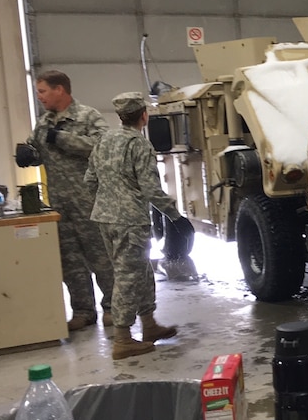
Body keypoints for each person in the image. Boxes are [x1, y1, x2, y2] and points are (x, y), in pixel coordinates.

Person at [84, 92, 193, 359]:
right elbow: (151, 189)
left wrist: (108, 202)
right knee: (127, 276)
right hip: (130, 221)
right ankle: (122, 340)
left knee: (141, 270)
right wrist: (175, 216)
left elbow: (89, 182)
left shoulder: (103, 140)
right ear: (143, 115)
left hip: (105, 219)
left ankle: (149, 325)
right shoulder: (139, 145)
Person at [15, 70, 115, 332]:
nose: (39, 98)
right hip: (59, 203)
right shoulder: (44, 122)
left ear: (60, 89)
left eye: (42, 91)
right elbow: (39, 151)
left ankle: (113, 308)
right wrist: (28, 154)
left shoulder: (88, 116)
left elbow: (102, 148)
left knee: (100, 255)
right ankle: (83, 311)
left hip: (88, 200)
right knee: (69, 259)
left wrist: (62, 138)